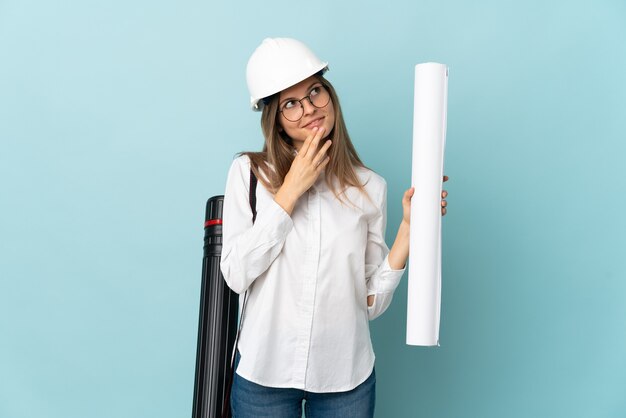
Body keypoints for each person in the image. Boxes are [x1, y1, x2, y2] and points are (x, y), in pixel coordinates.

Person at [220, 38, 448, 418]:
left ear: (329, 93)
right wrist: (290, 191)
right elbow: (235, 274)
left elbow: (368, 304)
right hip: (264, 376)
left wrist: (409, 230)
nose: (309, 109)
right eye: (290, 103)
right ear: (274, 116)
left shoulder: (370, 188)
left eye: (315, 91)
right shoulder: (249, 174)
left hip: (346, 381)